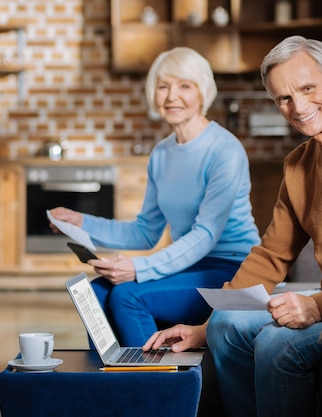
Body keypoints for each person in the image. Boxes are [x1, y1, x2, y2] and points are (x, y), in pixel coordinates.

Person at [144, 36, 322, 417]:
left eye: (307, 88)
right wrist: (205, 326)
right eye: (283, 98)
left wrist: (315, 306)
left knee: (276, 345)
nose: (297, 107)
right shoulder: (300, 163)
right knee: (225, 327)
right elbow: (271, 254)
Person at [50, 47, 260, 346]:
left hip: (232, 267)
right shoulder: (161, 154)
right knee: (95, 293)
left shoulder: (225, 150)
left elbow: (206, 234)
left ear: (203, 92)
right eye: (163, 86)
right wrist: (81, 222)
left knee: (128, 295)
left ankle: (156, 387)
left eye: (184, 86)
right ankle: (111, 383)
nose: (172, 96)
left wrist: (138, 268)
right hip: (188, 265)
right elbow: (145, 232)